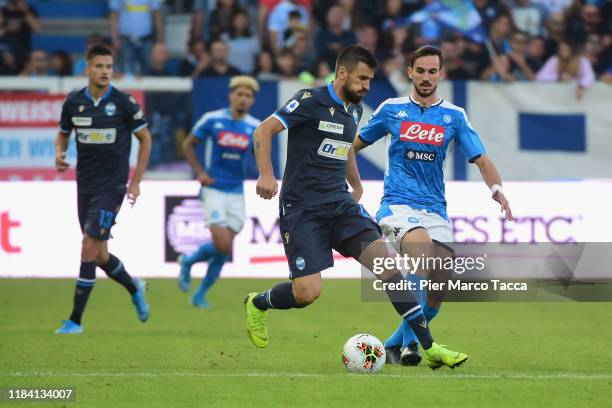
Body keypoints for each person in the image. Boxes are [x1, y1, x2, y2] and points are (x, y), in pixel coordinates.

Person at [243, 45, 468, 370]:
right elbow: (263, 130)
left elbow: (346, 147)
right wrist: (266, 173)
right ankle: (257, 302)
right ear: (343, 73)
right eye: (362, 79)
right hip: (302, 209)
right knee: (307, 293)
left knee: (388, 268)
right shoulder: (310, 100)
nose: (366, 86)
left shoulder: (355, 111)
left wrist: (357, 183)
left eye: (371, 80)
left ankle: (429, 347)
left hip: (340, 206)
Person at [353, 45, 513, 365]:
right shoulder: (390, 109)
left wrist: (497, 189)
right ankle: (415, 346)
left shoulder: (454, 116)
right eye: (420, 71)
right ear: (410, 72)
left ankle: (393, 345)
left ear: (442, 74)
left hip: (435, 209)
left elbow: (481, 159)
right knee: (422, 254)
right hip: (397, 205)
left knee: (439, 287)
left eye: (432, 71)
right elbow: (351, 147)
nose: (426, 77)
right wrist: (350, 186)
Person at [53, 44, 152, 334]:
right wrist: (59, 154)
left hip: (112, 187)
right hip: (84, 185)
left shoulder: (123, 103)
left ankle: (75, 319)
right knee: (99, 255)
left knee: (87, 244)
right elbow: (62, 135)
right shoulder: (73, 102)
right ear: (87, 69)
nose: (105, 71)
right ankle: (134, 287)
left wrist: (135, 181)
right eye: (99, 66)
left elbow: (145, 139)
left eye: (109, 66)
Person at [178, 76, 261, 308]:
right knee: (223, 244)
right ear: (231, 95)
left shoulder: (255, 126)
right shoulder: (212, 119)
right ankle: (188, 261)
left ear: (252, 100)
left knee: (225, 249)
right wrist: (199, 172)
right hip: (213, 189)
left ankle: (199, 293)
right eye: (239, 94)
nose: (243, 99)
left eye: (248, 96)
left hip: (237, 191)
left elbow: (262, 155)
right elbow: (188, 144)